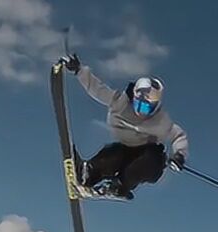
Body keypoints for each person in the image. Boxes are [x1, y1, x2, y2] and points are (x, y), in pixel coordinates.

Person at [61, 54, 189, 200]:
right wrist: (79, 70)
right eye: (139, 104)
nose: (141, 110)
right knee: (115, 152)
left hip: (147, 163)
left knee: (154, 157)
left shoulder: (160, 121)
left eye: (147, 107)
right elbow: (98, 89)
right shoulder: (121, 102)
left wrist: (179, 155)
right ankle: (89, 173)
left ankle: (119, 186)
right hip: (126, 150)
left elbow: (178, 136)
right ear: (134, 97)